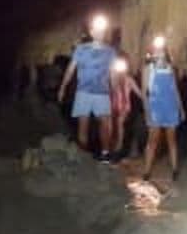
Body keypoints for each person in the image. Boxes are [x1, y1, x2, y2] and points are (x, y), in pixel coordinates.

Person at [57, 14, 117, 162]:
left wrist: (115, 92)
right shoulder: (81, 49)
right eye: (96, 30)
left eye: (102, 31)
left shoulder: (110, 51)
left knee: (105, 124)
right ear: (91, 32)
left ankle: (105, 154)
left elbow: (112, 73)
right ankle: (83, 156)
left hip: (102, 92)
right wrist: (63, 87)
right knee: (83, 124)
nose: (99, 33)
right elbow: (71, 69)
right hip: (83, 91)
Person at [141, 35, 185, 182]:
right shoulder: (148, 68)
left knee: (171, 140)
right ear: (152, 52)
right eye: (156, 50)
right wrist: (147, 112)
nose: (159, 52)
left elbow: (175, 90)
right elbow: (143, 92)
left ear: (165, 52)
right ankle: (146, 171)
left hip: (170, 107)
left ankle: (174, 170)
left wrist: (181, 108)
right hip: (155, 108)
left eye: (161, 50)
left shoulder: (171, 68)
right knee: (152, 140)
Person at [109, 55, 143, 157]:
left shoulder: (129, 79)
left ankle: (119, 147)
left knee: (120, 124)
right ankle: (113, 146)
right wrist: (112, 72)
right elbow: (112, 87)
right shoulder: (113, 77)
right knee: (111, 125)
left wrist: (148, 99)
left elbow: (139, 93)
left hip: (124, 107)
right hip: (114, 105)